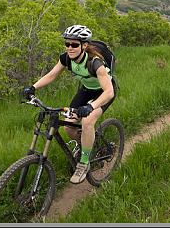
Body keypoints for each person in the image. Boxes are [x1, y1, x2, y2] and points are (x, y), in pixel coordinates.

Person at [22, 25, 115, 184]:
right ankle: (88, 145)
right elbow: (52, 75)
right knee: (68, 126)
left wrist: (91, 107)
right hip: (86, 90)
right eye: (67, 44)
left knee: (87, 121)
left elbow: (109, 92)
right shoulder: (66, 58)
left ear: (84, 45)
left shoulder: (95, 63)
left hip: (103, 93)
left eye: (74, 45)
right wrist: (33, 87)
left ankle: (84, 163)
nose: (70, 48)